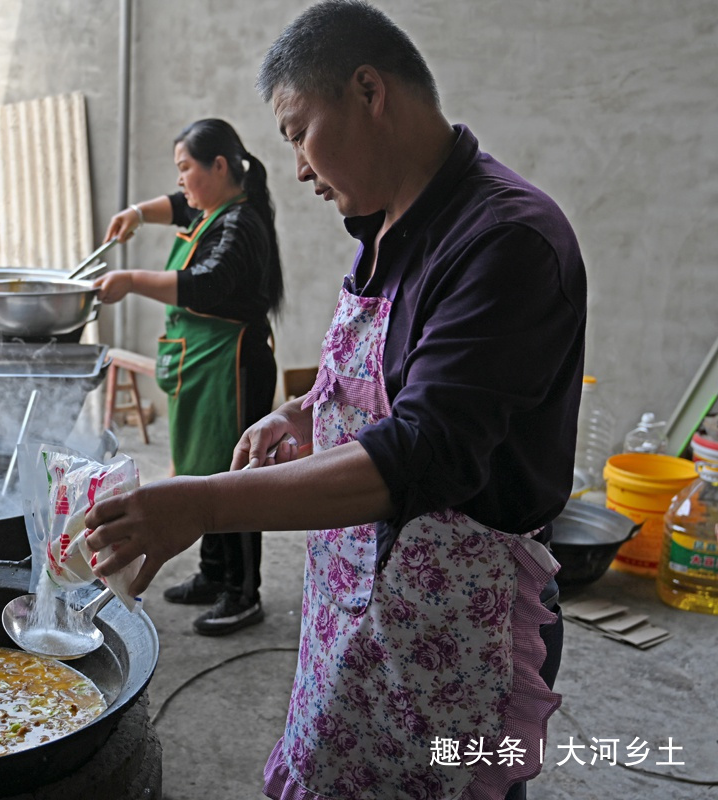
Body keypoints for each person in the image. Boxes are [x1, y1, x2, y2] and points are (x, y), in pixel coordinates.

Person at [85, 2, 585, 798]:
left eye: (295, 132)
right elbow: (382, 368)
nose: (298, 169)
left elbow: (424, 450)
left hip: (452, 619)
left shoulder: (504, 241)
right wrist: (306, 408)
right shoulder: (389, 222)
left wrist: (204, 504)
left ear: (368, 91)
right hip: (356, 591)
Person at [93, 118, 284, 636]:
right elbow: (176, 206)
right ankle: (213, 573)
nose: (179, 182)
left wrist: (130, 280)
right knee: (203, 469)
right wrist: (134, 213)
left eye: (185, 169)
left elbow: (207, 284)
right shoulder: (211, 209)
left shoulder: (240, 223)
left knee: (238, 476)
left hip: (233, 365)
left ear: (218, 167)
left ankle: (243, 593)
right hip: (204, 364)